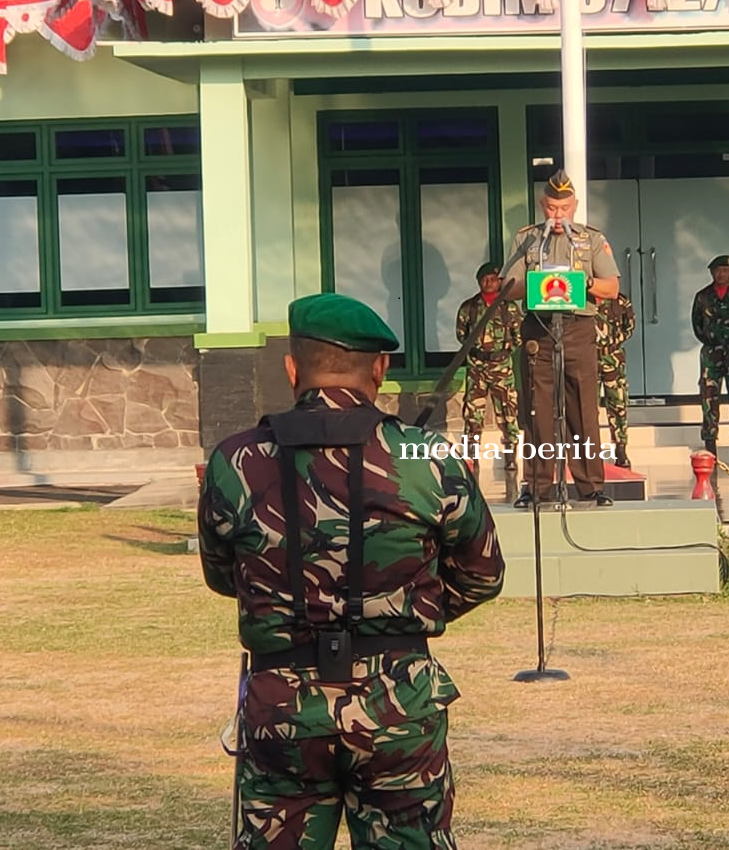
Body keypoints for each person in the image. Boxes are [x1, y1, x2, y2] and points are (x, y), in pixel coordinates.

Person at [198, 292, 506, 849]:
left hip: (282, 707)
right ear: (381, 369)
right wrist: (406, 609)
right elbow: (483, 573)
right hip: (397, 701)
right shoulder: (426, 457)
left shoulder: (235, 461)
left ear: (293, 370)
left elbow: (224, 575)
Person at [502, 169, 622, 509]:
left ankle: (589, 486)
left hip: (578, 329)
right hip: (538, 330)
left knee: (582, 409)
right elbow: (508, 287)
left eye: (565, 207)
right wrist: (537, 285)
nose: (559, 215)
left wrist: (582, 284)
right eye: (553, 207)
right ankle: (537, 486)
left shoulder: (591, 240)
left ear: (575, 205)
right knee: (538, 411)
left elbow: (611, 288)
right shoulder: (526, 239)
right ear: (543, 205)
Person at [455, 262, 522, 468]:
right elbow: (461, 334)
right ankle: (471, 454)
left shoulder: (509, 307)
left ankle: (510, 455)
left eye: (493, 279)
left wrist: (504, 351)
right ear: (478, 281)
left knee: (507, 411)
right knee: (473, 412)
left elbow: (519, 336)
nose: (489, 282)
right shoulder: (469, 307)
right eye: (484, 279)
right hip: (477, 366)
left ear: (499, 281)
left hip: (501, 366)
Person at [692, 254, 729, 468]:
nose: (721, 274)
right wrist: (710, 340)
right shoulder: (703, 297)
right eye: (717, 270)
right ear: (711, 272)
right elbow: (697, 323)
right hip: (711, 353)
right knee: (709, 400)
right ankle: (710, 448)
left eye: (725, 270)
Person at [594, 292, 635, 469]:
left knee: (618, 404)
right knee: (586, 406)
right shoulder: (581, 298)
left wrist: (613, 342)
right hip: (587, 358)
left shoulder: (620, 301)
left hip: (614, 357)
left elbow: (629, 327)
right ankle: (589, 450)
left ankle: (620, 448)